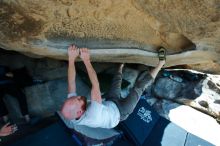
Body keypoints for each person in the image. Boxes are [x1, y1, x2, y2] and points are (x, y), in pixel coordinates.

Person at [60, 45, 166, 128]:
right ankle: (161, 63)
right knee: (139, 87)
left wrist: (71, 58)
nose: (79, 96)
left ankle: (122, 64)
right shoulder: (92, 115)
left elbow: (71, 82)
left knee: (116, 80)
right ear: (80, 112)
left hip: (109, 102)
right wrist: (86, 60)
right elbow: (95, 85)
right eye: (79, 99)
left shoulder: (72, 108)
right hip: (121, 112)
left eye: (76, 97)